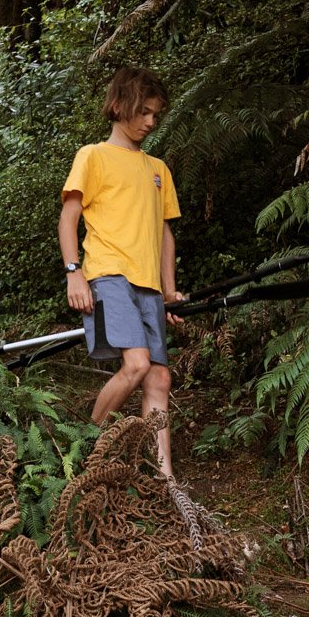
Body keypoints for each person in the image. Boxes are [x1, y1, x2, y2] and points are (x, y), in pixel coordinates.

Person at [59, 67, 186, 477]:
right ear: (117, 107)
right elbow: (68, 219)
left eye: (155, 115)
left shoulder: (158, 169)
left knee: (160, 378)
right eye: (143, 112)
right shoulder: (93, 156)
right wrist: (73, 272)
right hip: (109, 275)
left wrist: (169, 291)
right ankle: (83, 453)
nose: (150, 122)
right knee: (135, 364)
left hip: (148, 284)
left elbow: (164, 232)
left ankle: (166, 482)